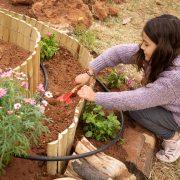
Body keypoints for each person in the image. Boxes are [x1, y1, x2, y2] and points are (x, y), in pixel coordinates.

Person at [75, 14, 180, 163]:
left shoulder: (173, 79)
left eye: (147, 44)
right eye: (142, 41)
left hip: (177, 114)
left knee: (137, 111)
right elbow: (118, 52)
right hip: (169, 99)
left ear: (163, 48)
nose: (142, 47)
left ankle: (173, 138)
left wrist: (95, 96)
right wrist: (90, 71)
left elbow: (135, 100)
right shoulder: (162, 55)